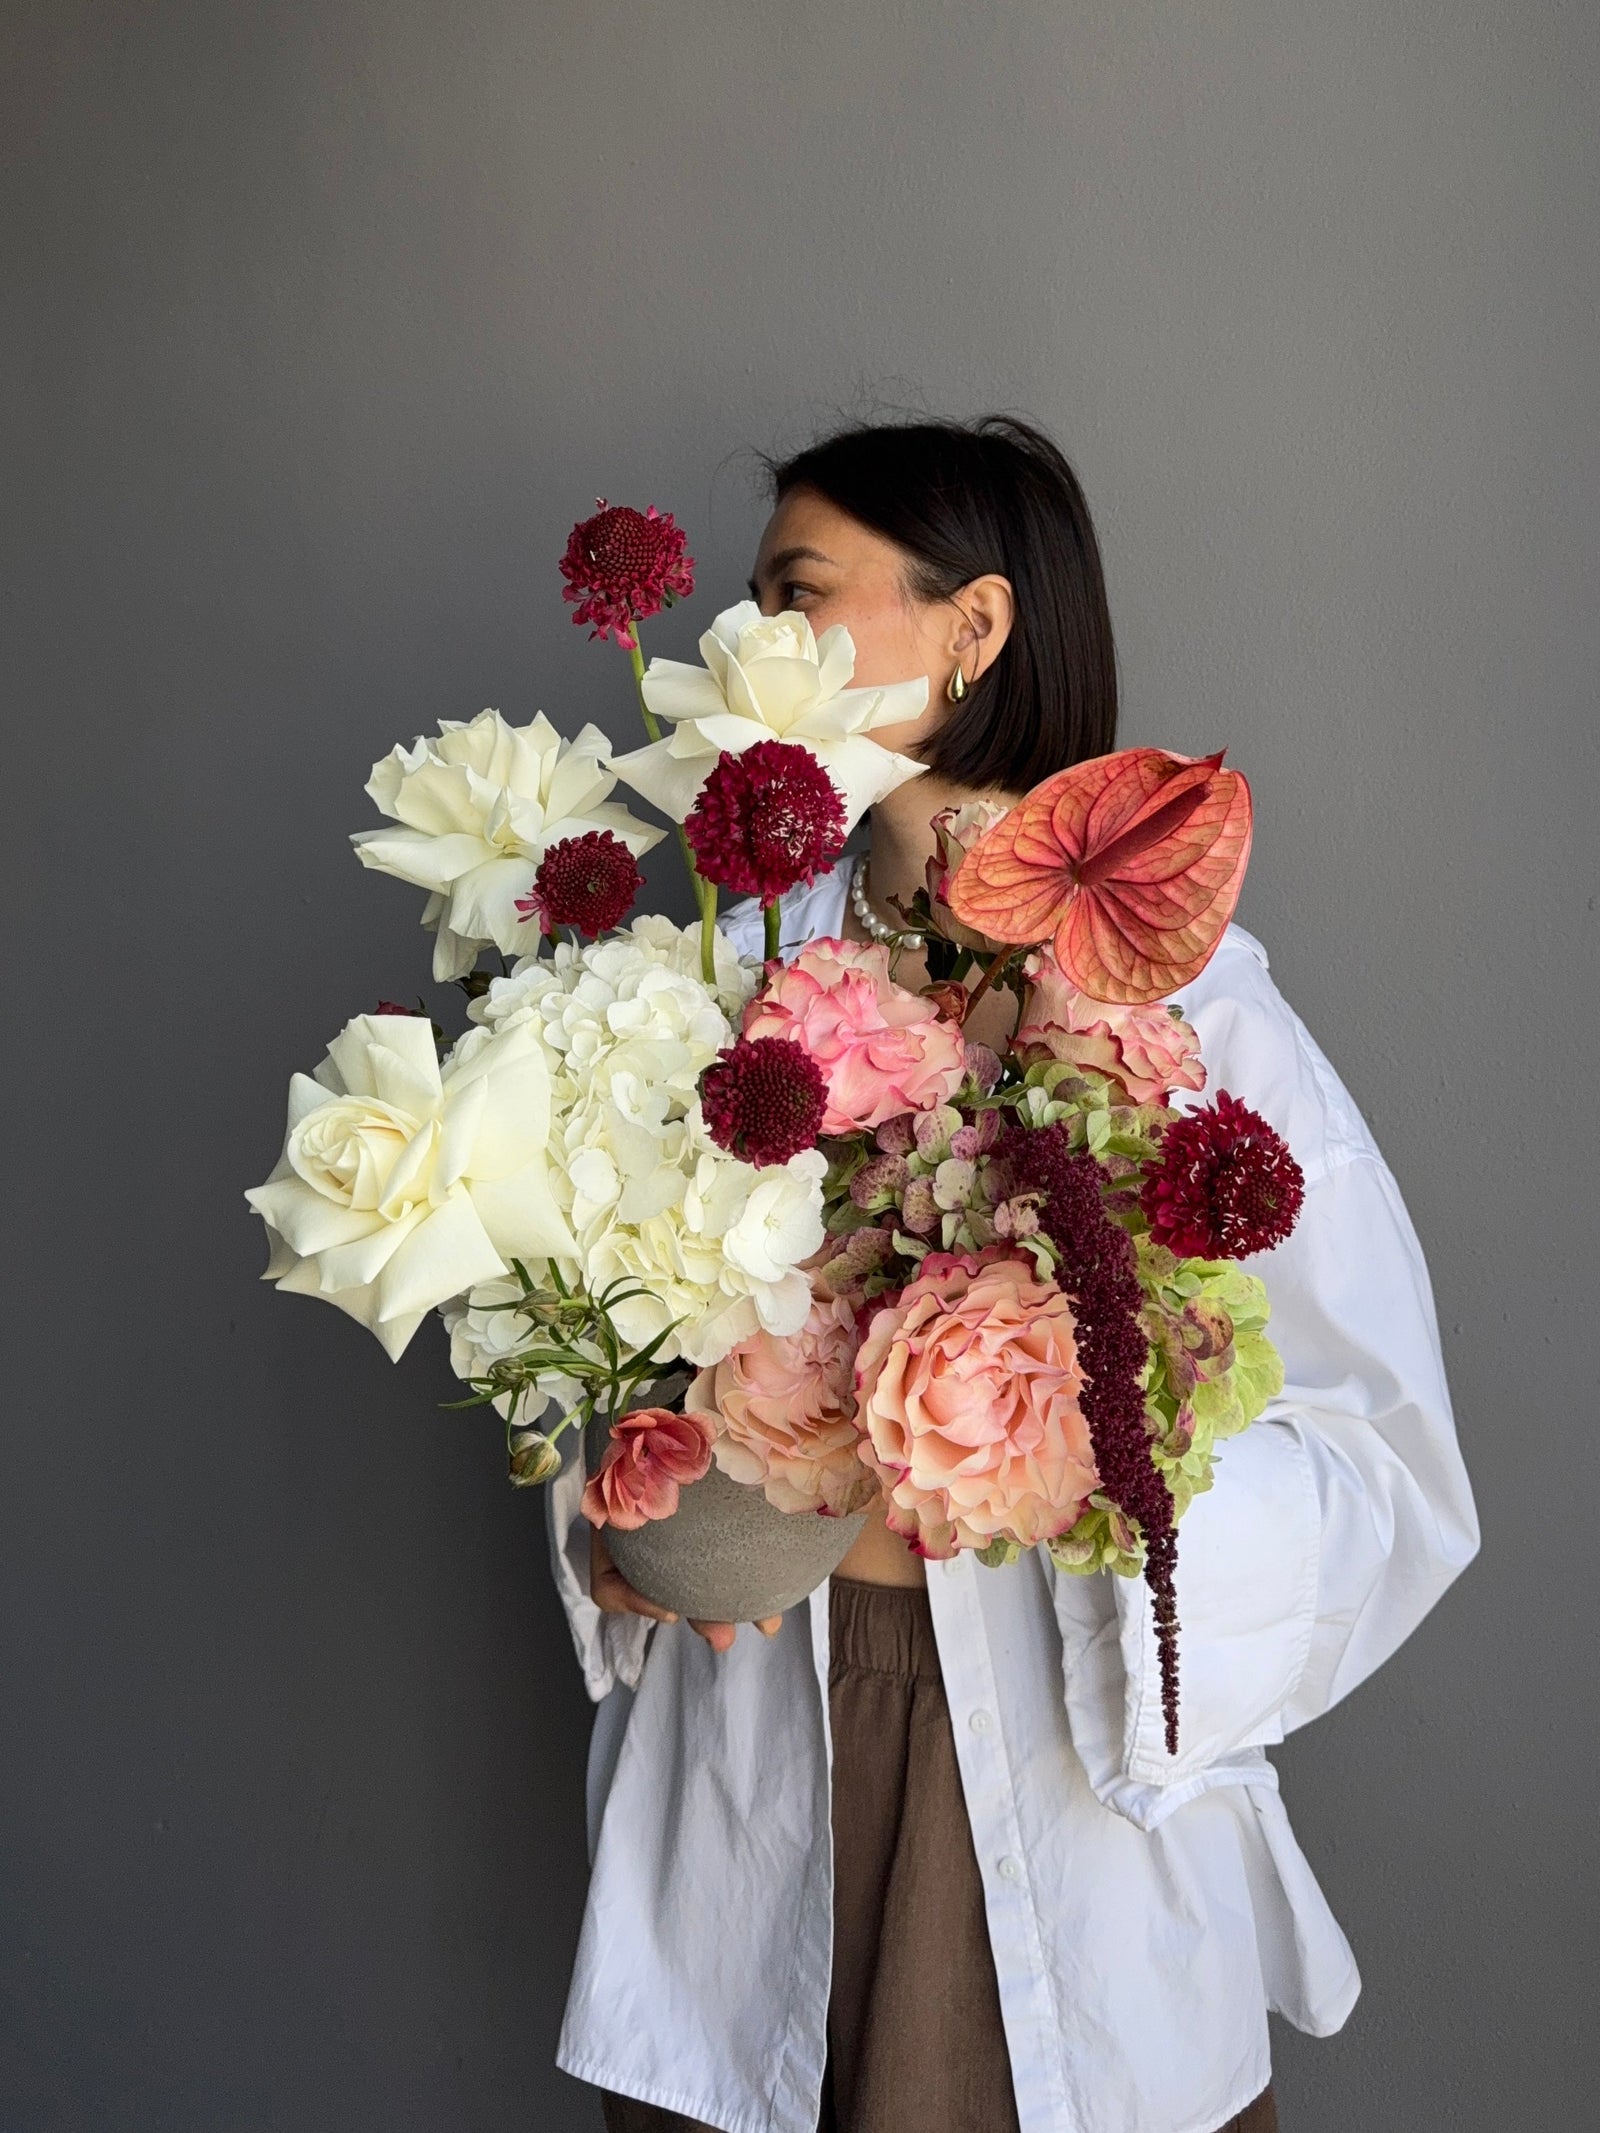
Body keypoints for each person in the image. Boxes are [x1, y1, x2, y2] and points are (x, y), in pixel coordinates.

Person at [545, 416, 1480, 2133]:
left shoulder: (1200, 1019)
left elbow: (1386, 1460)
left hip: (1062, 1802)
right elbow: (583, 1351)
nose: (749, 649)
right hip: (755, 1784)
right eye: (747, 603)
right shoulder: (695, 982)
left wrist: (1076, 1483)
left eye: (798, 595)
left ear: (971, 630)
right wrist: (636, 1513)